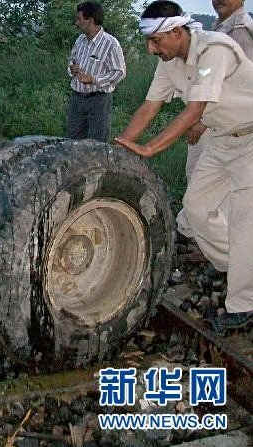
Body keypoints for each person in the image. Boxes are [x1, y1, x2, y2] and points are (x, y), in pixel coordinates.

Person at [114, 0, 253, 334]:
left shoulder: (214, 50)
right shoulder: (170, 62)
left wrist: (149, 148)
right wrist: (119, 149)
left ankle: (244, 305)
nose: (151, 49)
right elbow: (150, 106)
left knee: (243, 222)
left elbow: (195, 110)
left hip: (251, 139)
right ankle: (234, 266)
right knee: (196, 208)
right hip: (222, 138)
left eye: (155, 40)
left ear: (177, 32)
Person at [176, 0, 253, 244]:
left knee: (213, 188)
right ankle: (200, 238)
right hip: (209, 117)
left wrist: (201, 123)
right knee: (198, 180)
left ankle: (213, 245)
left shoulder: (240, 32)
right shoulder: (221, 27)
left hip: (221, 124)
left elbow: (237, 90)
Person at [66, 1, 126, 142]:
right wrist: (72, 68)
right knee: (73, 141)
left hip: (99, 101)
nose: (77, 23)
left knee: (97, 144)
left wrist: (93, 79)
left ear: (90, 20)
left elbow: (120, 72)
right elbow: (71, 61)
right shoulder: (80, 40)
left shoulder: (111, 43)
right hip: (76, 98)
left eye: (79, 19)